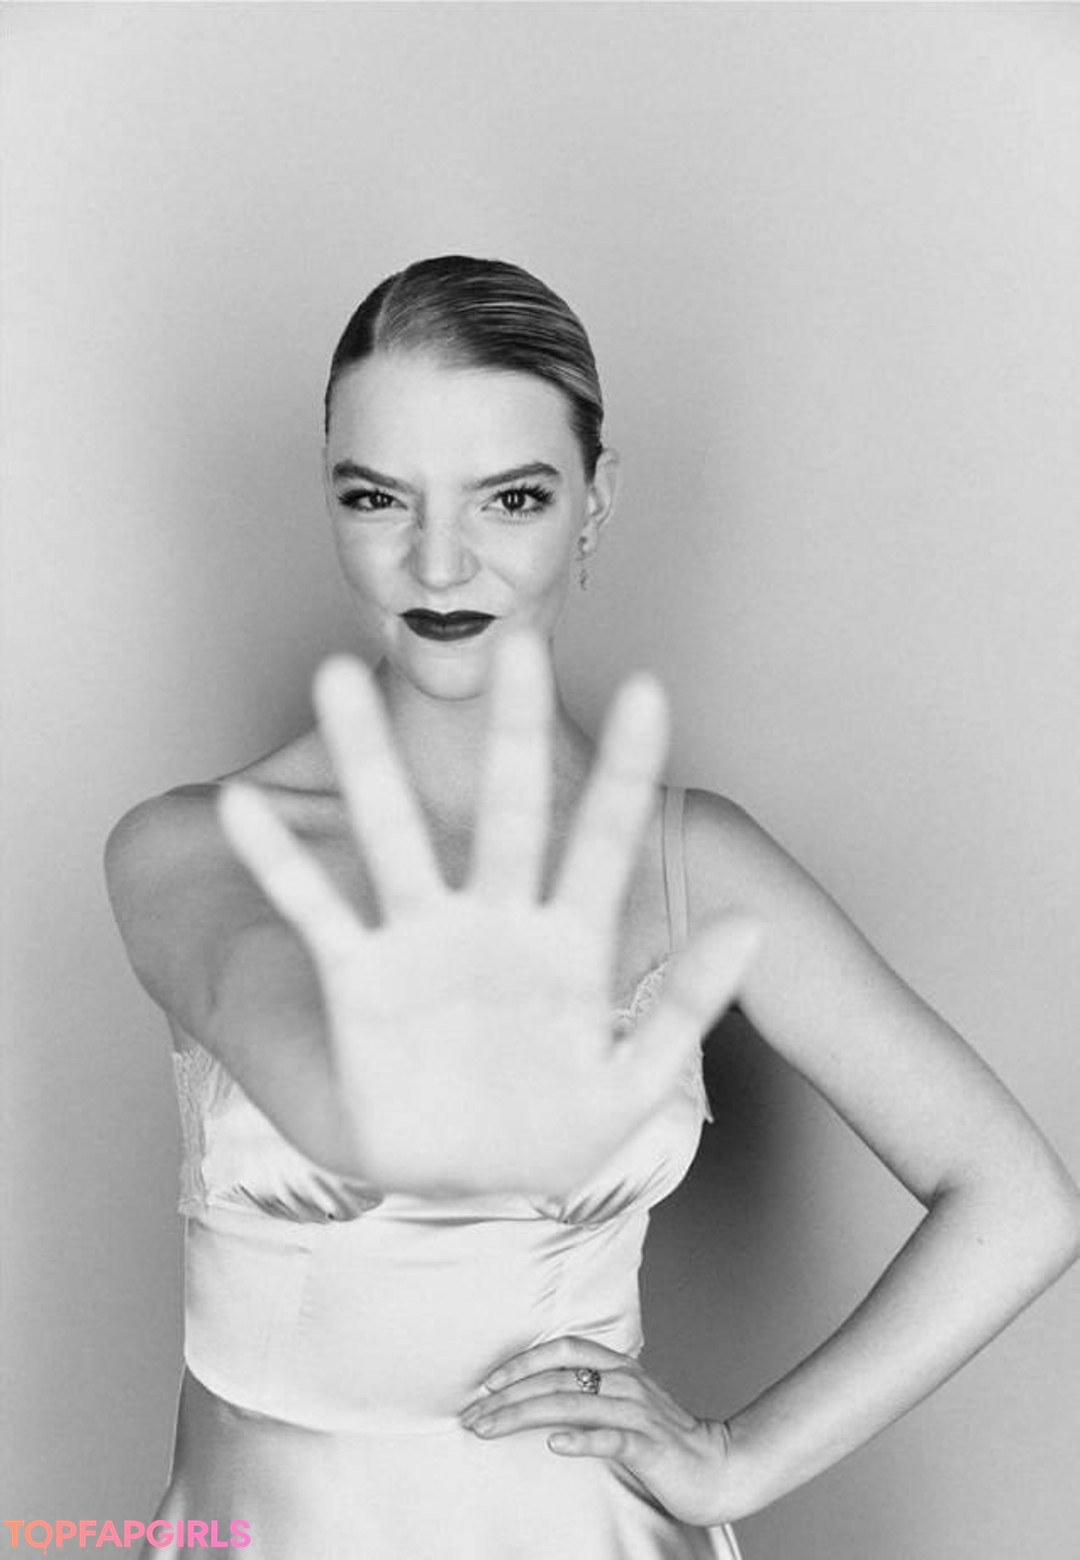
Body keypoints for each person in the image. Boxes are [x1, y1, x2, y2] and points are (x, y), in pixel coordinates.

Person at [104, 256, 1080, 1559]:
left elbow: (1019, 1201)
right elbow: (292, 1049)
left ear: (593, 502)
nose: (438, 560)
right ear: (329, 499)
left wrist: (738, 1461)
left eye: (511, 497)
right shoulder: (188, 848)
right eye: (378, 496)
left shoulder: (694, 865)